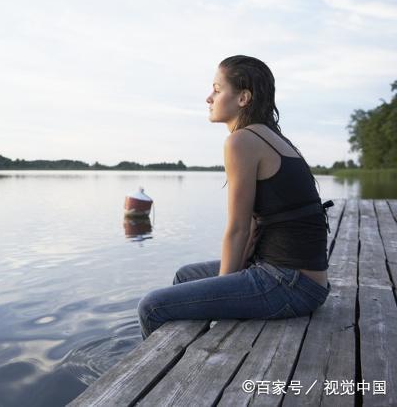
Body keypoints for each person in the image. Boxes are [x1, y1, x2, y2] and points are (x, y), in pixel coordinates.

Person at [137, 55, 331, 341]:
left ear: (243, 98)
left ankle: (171, 374)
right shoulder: (268, 136)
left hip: (290, 285)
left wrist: (221, 297)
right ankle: (187, 355)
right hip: (302, 279)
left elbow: (238, 228)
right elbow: (254, 225)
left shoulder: (241, 141)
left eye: (217, 89)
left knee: (151, 307)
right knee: (185, 276)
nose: (208, 97)